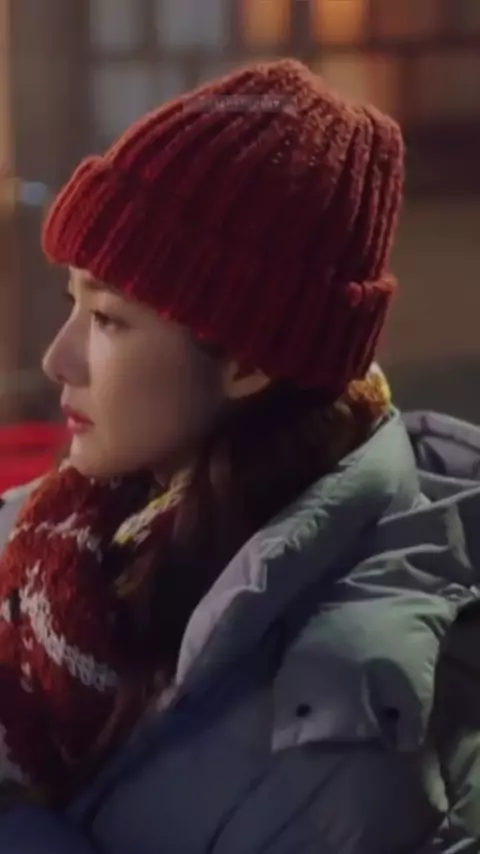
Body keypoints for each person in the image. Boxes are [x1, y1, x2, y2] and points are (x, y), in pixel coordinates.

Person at [0, 57, 479, 853]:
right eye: (70, 302)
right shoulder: (61, 537)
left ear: (247, 362)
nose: (58, 359)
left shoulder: (345, 739)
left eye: (109, 320)